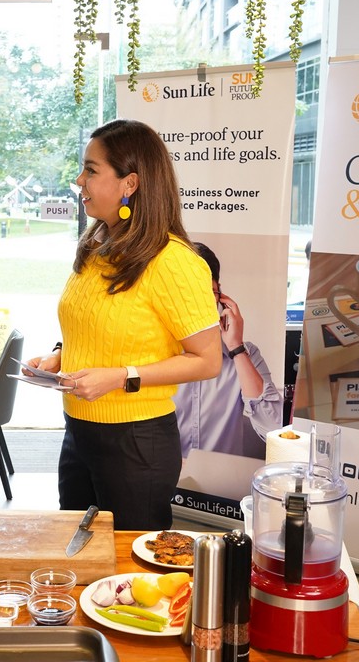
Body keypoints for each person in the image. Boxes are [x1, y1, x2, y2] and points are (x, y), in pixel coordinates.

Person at [26, 119, 222, 531]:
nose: (79, 180)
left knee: (133, 577)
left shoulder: (174, 261)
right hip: (79, 432)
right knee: (81, 558)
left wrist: (120, 377)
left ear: (129, 183)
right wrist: (60, 355)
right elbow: (101, 325)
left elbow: (206, 361)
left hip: (136, 443)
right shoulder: (97, 246)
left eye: (91, 170)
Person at [174, 242, 283, 459]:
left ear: (220, 297)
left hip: (221, 486)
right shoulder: (153, 353)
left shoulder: (245, 353)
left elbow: (273, 428)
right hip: (163, 485)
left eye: (209, 292)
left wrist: (236, 348)